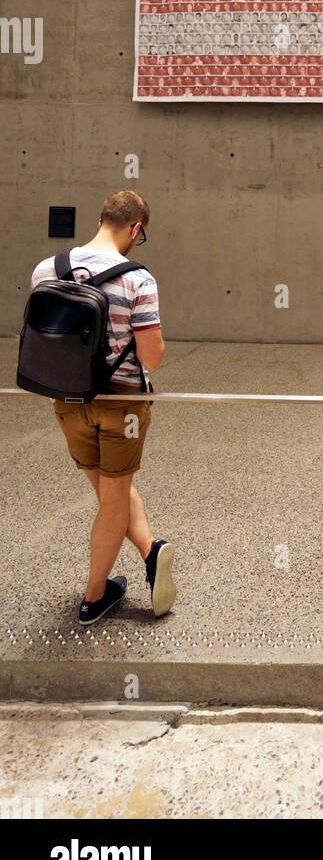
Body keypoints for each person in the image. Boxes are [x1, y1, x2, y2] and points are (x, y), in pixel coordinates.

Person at [29, 191, 175, 624]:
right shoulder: (138, 280)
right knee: (114, 498)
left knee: (111, 492)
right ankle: (95, 597)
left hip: (67, 401)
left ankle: (151, 552)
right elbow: (151, 358)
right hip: (122, 405)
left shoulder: (46, 270)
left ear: (100, 219)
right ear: (135, 229)